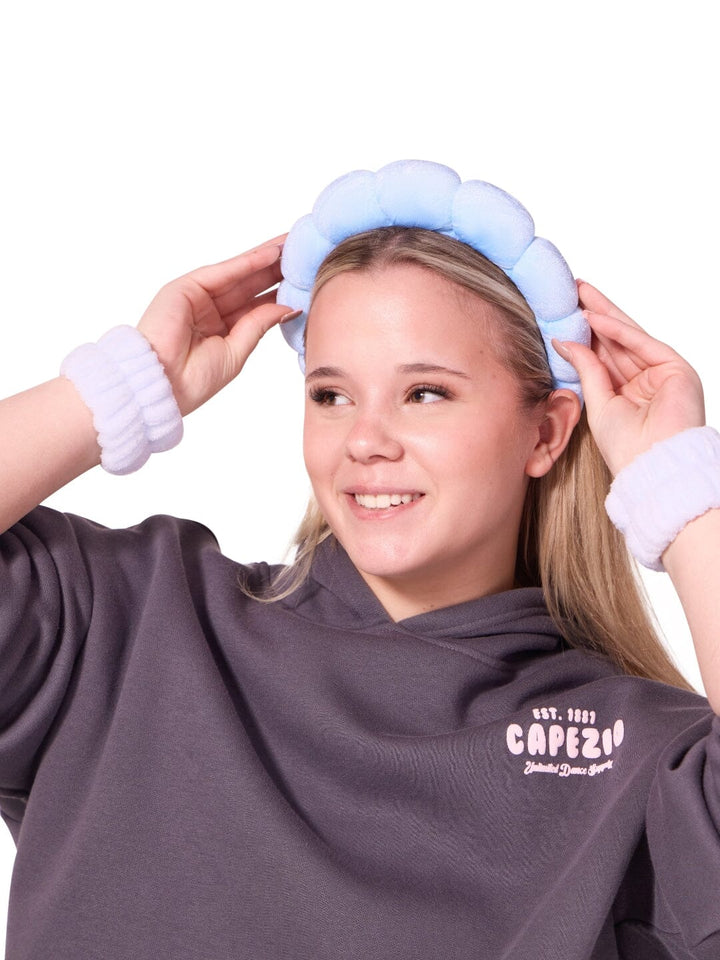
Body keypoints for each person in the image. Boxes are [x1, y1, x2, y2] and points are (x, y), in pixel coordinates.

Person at [1, 160, 718, 959]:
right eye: (331, 395)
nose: (366, 441)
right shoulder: (131, 621)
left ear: (545, 434)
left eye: (425, 394)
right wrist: (121, 388)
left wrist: (682, 495)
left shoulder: (639, 755)